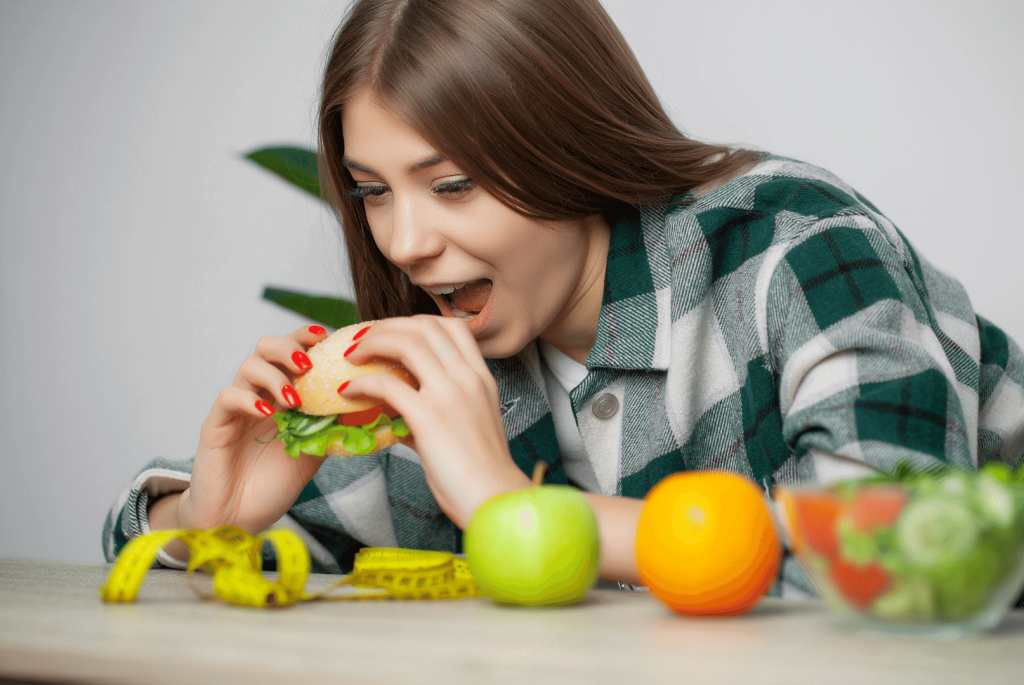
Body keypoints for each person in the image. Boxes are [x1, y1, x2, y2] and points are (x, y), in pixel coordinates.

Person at [104, 0, 1024, 594]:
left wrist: (511, 503)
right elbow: (196, 563)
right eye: (374, 192)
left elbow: (905, 552)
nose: (404, 242)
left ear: (565, 145)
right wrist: (203, 523)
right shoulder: (454, 363)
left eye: (453, 184)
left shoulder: (796, 246)